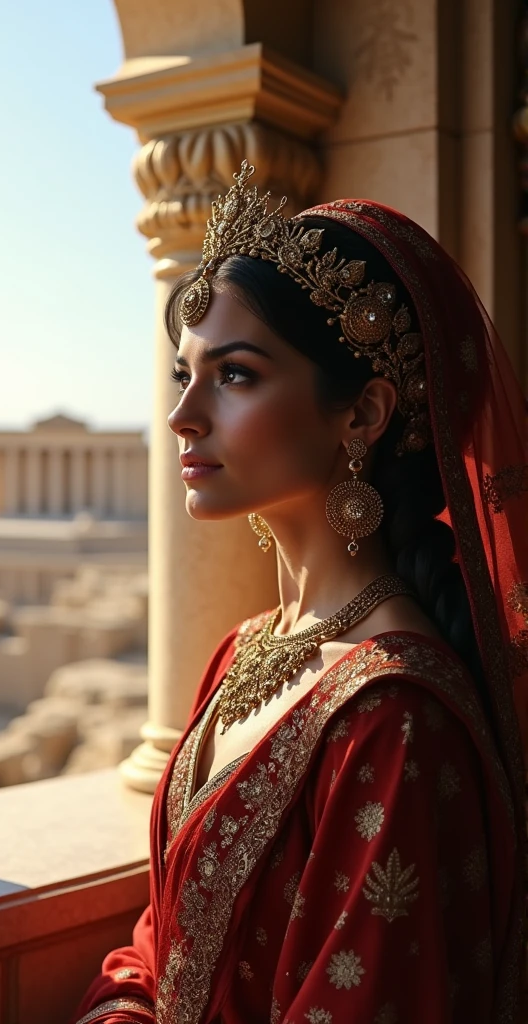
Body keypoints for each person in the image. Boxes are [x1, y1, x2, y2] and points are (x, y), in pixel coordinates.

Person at [72, 163, 527, 1024]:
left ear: (363, 415)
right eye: (185, 375)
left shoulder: (396, 720)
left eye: (235, 375)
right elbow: (158, 945)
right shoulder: (246, 651)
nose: (183, 416)